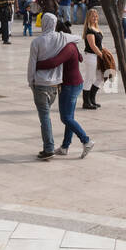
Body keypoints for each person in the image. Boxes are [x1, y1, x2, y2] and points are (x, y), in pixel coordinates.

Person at [35, 21, 93, 158]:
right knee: (69, 117)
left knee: (65, 117)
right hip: (74, 83)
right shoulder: (71, 45)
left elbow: (54, 62)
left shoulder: (67, 47)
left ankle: (86, 140)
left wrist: (36, 64)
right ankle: (65, 147)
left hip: (70, 85)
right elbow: (79, 58)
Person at [27, 12, 67, 160]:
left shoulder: (37, 42)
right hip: (55, 85)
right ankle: (50, 146)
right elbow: (76, 38)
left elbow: (32, 64)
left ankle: (49, 147)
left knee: (44, 117)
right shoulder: (61, 38)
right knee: (46, 116)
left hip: (41, 84)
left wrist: (31, 82)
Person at [81, 9, 104, 109]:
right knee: (89, 78)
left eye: (96, 16)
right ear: (89, 18)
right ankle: (86, 102)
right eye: (93, 16)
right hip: (90, 56)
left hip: (97, 56)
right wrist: (101, 56)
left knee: (100, 77)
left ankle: (91, 99)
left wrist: (104, 52)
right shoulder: (89, 30)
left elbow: (99, 45)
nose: (95, 18)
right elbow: (93, 46)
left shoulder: (97, 29)